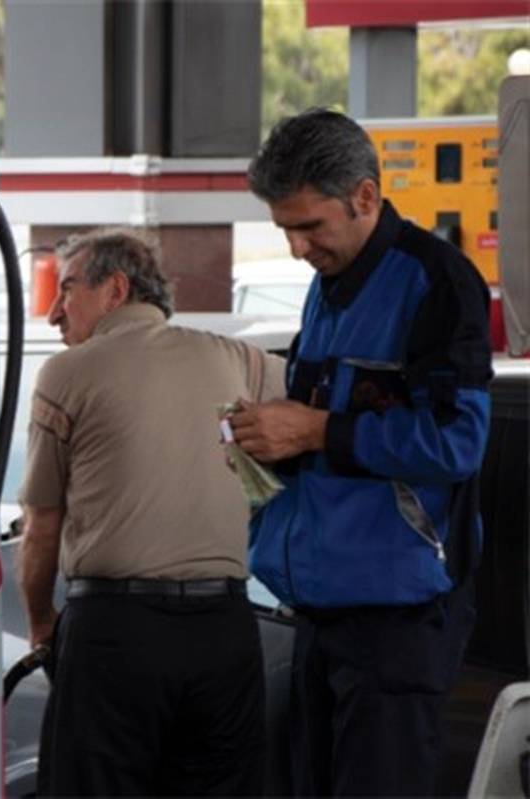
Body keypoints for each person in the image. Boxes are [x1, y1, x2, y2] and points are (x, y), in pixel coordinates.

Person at [230, 108, 492, 797]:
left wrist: (316, 432)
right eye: (285, 229)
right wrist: (265, 441)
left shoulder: (435, 282)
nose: (297, 248)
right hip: (318, 609)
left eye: (310, 226)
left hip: (397, 618)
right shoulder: (329, 286)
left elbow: (457, 441)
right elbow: (324, 419)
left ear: (366, 196)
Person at [17, 228, 286, 796]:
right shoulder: (239, 358)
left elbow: (41, 527)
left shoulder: (67, 373)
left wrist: (41, 624)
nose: (54, 313)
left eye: (67, 290)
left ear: (115, 290)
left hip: (117, 633)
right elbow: (309, 408)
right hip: (226, 633)